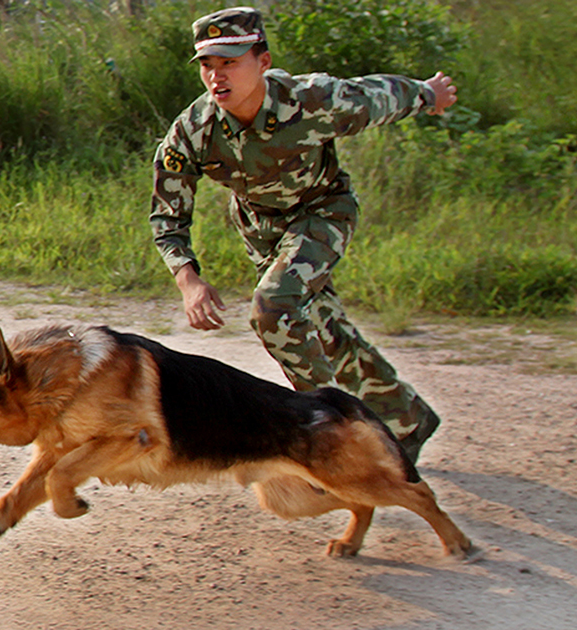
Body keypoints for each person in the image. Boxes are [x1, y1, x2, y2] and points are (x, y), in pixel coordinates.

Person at [150, 6, 458, 463]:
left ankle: (330, 437)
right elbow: (167, 215)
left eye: (230, 62)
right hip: (263, 232)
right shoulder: (193, 130)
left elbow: (374, 96)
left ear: (264, 61)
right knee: (323, 329)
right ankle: (407, 420)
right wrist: (188, 279)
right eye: (208, 66)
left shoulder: (310, 100)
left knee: (275, 308)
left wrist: (427, 94)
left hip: (322, 212)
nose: (217, 77)